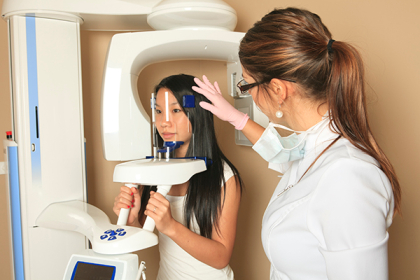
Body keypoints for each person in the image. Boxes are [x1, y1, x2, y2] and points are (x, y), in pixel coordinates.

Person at [192, 7, 401, 280]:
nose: (249, 93)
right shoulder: (317, 145)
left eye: (248, 85)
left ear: (278, 90)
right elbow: (287, 155)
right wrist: (237, 118)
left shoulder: (348, 178)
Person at [113, 74, 243, 280]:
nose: (164, 122)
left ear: (196, 113)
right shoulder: (156, 171)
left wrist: (171, 226)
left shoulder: (224, 177)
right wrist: (133, 221)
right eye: (158, 111)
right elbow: (148, 235)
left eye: (175, 111)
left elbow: (221, 257)